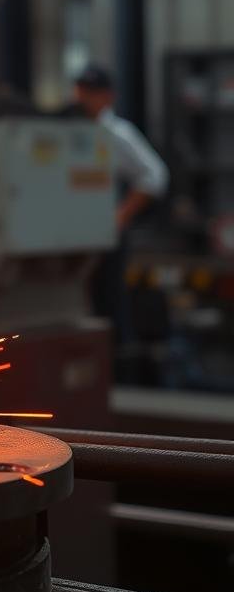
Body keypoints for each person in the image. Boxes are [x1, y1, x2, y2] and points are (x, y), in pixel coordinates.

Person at [72, 65, 169, 375]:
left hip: (107, 235)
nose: (83, 98)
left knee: (109, 302)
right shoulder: (69, 133)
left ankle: (116, 371)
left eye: (90, 92)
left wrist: (122, 215)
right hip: (74, 234)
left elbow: (154, 175)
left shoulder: (117, 134)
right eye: (80, 91)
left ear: (108, 96)